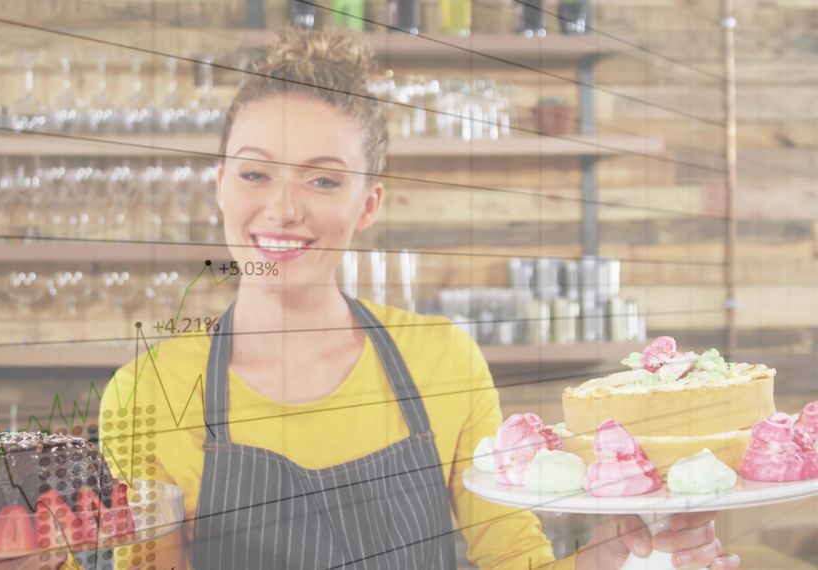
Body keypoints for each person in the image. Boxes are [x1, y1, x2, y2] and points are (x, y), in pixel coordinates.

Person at [99, 27, 740, 570]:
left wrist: (607, 559)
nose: (283, 207)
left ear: (369, 203)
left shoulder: (442, 361)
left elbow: (512, 557)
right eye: (255, 173)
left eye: (324, 179)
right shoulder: (147, 392)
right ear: (219, 184)